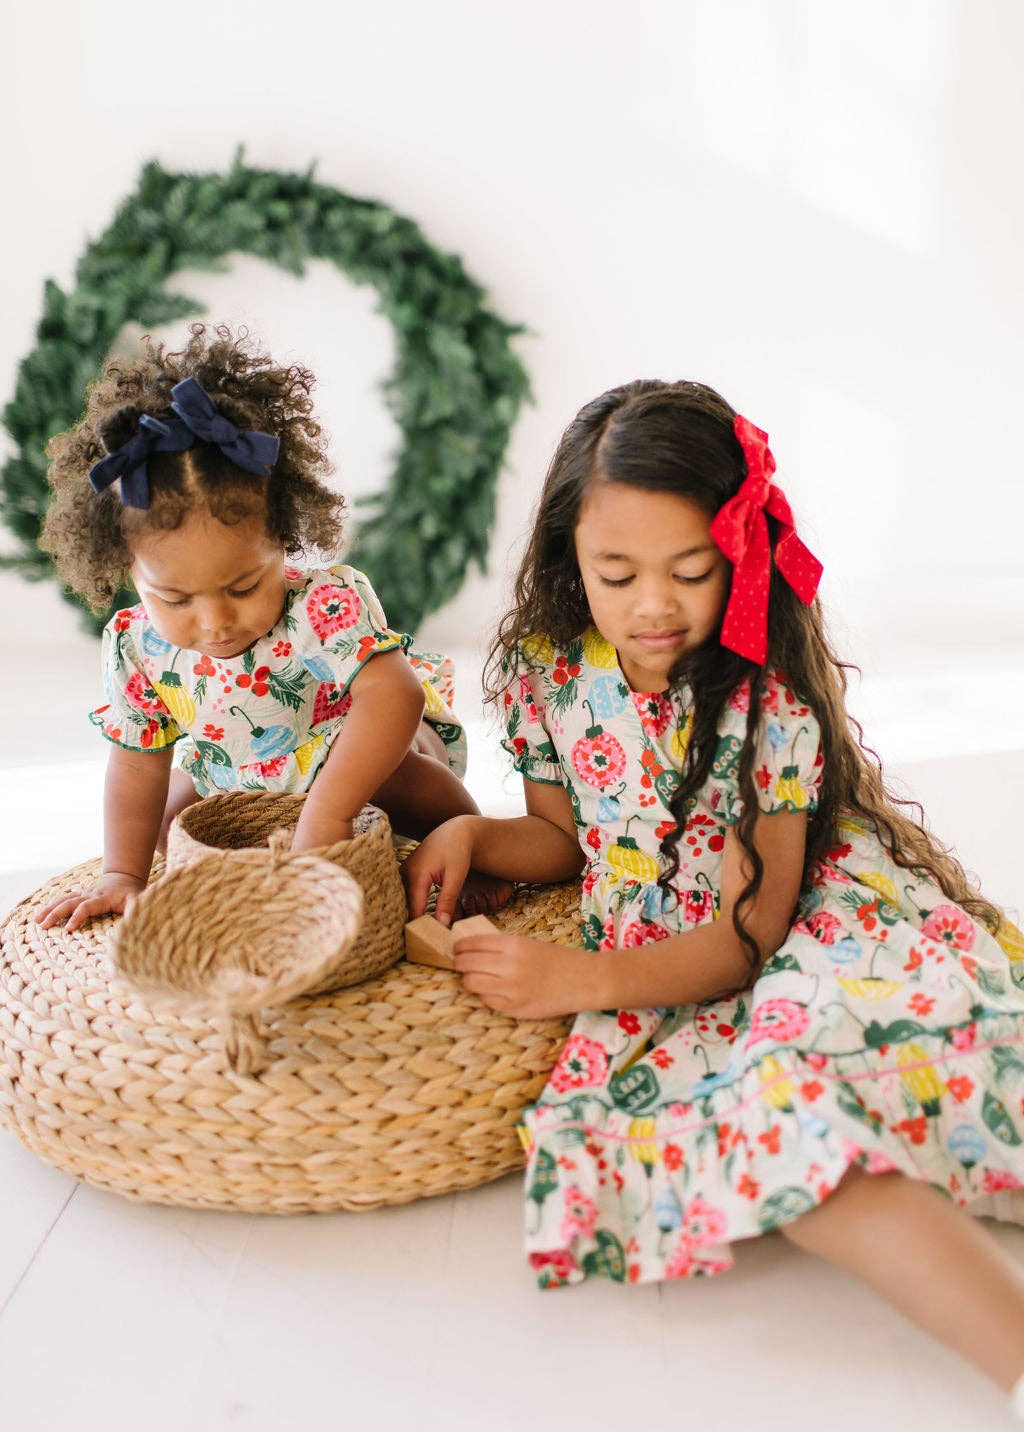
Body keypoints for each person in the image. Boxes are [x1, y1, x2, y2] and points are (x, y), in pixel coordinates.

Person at [403, 379, 1024, 1411]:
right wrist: (473, 830)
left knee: (929, 1074)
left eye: (691, 571)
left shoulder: (764, 702)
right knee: (802, 1146)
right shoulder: (545, 673)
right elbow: (564, 840)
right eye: (616, 573)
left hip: (795, 928)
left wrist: (577, 980)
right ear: (569, 558)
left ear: (740, 559)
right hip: (666, 946)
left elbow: (747, 944)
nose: (654, 605)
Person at [34, 323, 504, 932]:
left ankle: (477, 849)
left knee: (413, 783)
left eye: (243, 587)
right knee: (166, 821)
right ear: (127, 570)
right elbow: (136, 764)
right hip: (233, 778)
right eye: (175, 598)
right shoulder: (136, 646)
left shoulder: (320, 606)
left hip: (355, 752)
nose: (215, 623)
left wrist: (328, 813)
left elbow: (396, 696)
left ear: (283, 537)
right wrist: (123, 873)